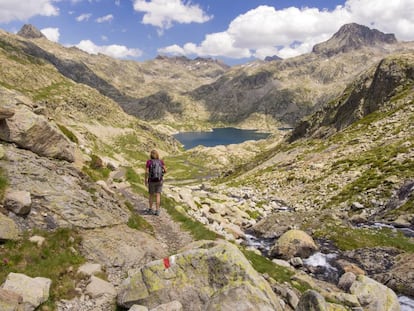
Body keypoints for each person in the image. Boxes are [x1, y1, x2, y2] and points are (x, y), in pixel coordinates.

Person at [144, 149, 167, 215]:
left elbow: (146, 172)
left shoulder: (149, 162)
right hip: (159, 180)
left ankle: (150, 209)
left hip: (151, 181)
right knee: (158, 195)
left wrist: (145, 180)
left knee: (151, 195)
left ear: (151, 155)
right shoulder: (161, 162)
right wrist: (161, 174)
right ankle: (157, 211)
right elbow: (165, 170)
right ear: (157, 155)